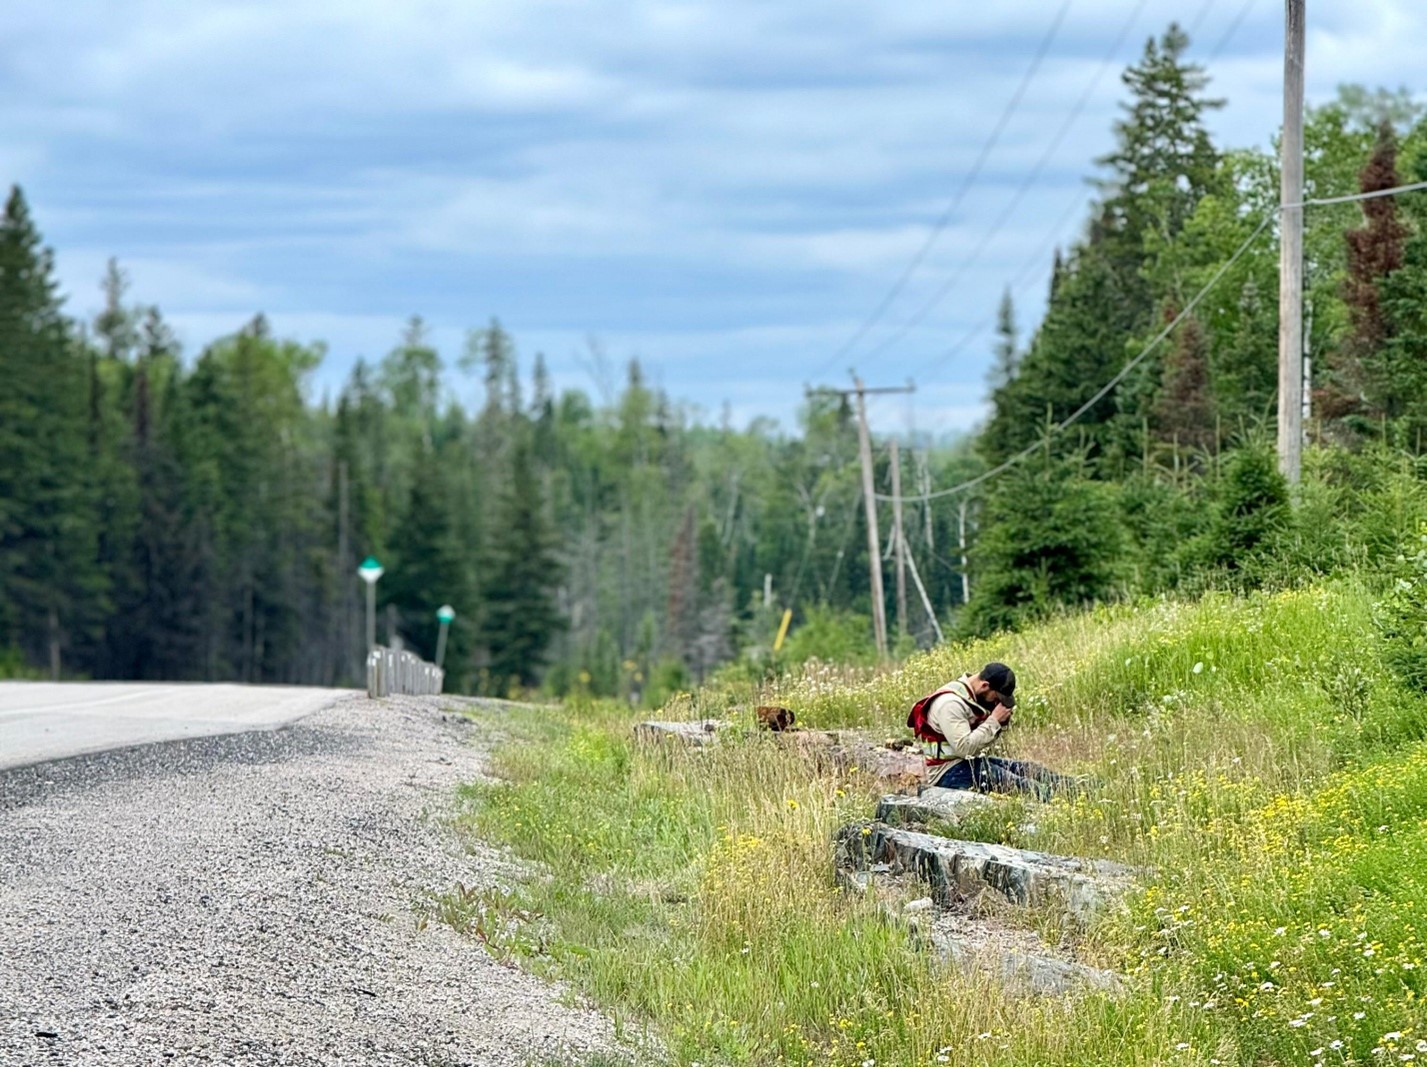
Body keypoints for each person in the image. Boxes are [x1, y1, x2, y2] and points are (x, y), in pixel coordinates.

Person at [907, 661, 1077, 802]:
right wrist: (994, 720)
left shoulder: (970, 695)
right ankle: (1063, 801)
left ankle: (1080, 787)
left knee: (1030, 769)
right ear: (985, 685)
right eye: (996, 698)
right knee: (1019, 784)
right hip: (947, 773)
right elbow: (965, 748)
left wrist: (999, 724)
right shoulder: (950, 704)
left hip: (966, 763)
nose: (996, 702)